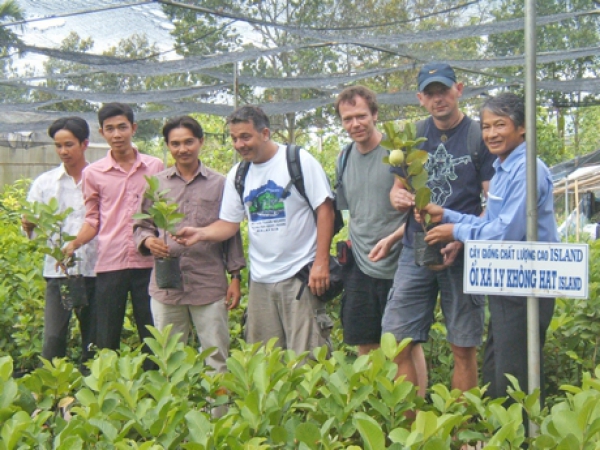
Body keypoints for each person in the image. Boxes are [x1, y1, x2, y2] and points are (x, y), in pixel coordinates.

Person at [423, 92, 558, 403]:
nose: (491, 134)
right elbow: (492, 223)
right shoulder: (504, 168)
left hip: (527, 280)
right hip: (506, 278)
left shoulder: (527, 169)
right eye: (485, 126)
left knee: (515, 373)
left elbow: (504, 234)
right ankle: (502, 433)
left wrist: (455, 229)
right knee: (498, 365)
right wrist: (447, 214)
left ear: (522, 128)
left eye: (501, 125)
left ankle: (518, 439)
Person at [173, 105, 334, 357]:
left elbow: (325, 209)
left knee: (307, 358)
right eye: (235, 138)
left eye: (245, 137)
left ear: (265, 133)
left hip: (299, 274)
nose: (239, 144)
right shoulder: (239, 173)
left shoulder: (297, 160)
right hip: (260, 280)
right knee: (265, 360)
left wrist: (321, 262)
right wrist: (200, 233)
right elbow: (229, 223)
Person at [382, 63, 496, 394]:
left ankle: (461, 437)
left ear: (458, 89)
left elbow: (493, 203)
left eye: (443, 91)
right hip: (415, 247)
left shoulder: (479, 136)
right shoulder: (409, 138)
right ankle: (412, 432)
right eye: (430, 94)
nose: (438, 99)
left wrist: (462, 238)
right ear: (420, 98)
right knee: (398, 341)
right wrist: (399, 197)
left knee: (463, 346)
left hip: (460, 249)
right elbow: (396, 189)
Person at [133, 116, 246, 373]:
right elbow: (141, 225)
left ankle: (219, 413)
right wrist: (150, 241)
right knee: (168, 358)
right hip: (166, 288)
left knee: (216, 357)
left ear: (201, 142)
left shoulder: (220, 184)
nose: (182, 149)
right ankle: (174, 411)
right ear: (167, 146)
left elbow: (231, 233)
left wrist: (236, 277)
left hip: (208, 284)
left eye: (188, 142)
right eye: (175, 144)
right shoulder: (156, 184)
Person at [64, 103, 163, 367]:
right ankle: (107, 391)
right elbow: (92, 219)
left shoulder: (155, 167)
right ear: (101, 132)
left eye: (122, 127)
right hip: (111, 263)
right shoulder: (93, 173)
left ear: (133, 128)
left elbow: (162, 212)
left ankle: (154, 394)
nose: (117, 134)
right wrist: (74, 242)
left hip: (148, 262)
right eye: (110, 129)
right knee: (106, 335)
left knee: (151, 333)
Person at [22, 117, 97, 367]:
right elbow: (33, 229)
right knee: (53, 338)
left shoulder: (98, 178)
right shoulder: (44, 183)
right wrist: (28, 225)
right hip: (58, 272)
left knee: (93, 338)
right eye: (58, 145)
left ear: (85, 143)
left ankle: (91, 393)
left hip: (94, 269)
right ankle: (54, 391)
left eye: (69, 145)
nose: (63, 151)